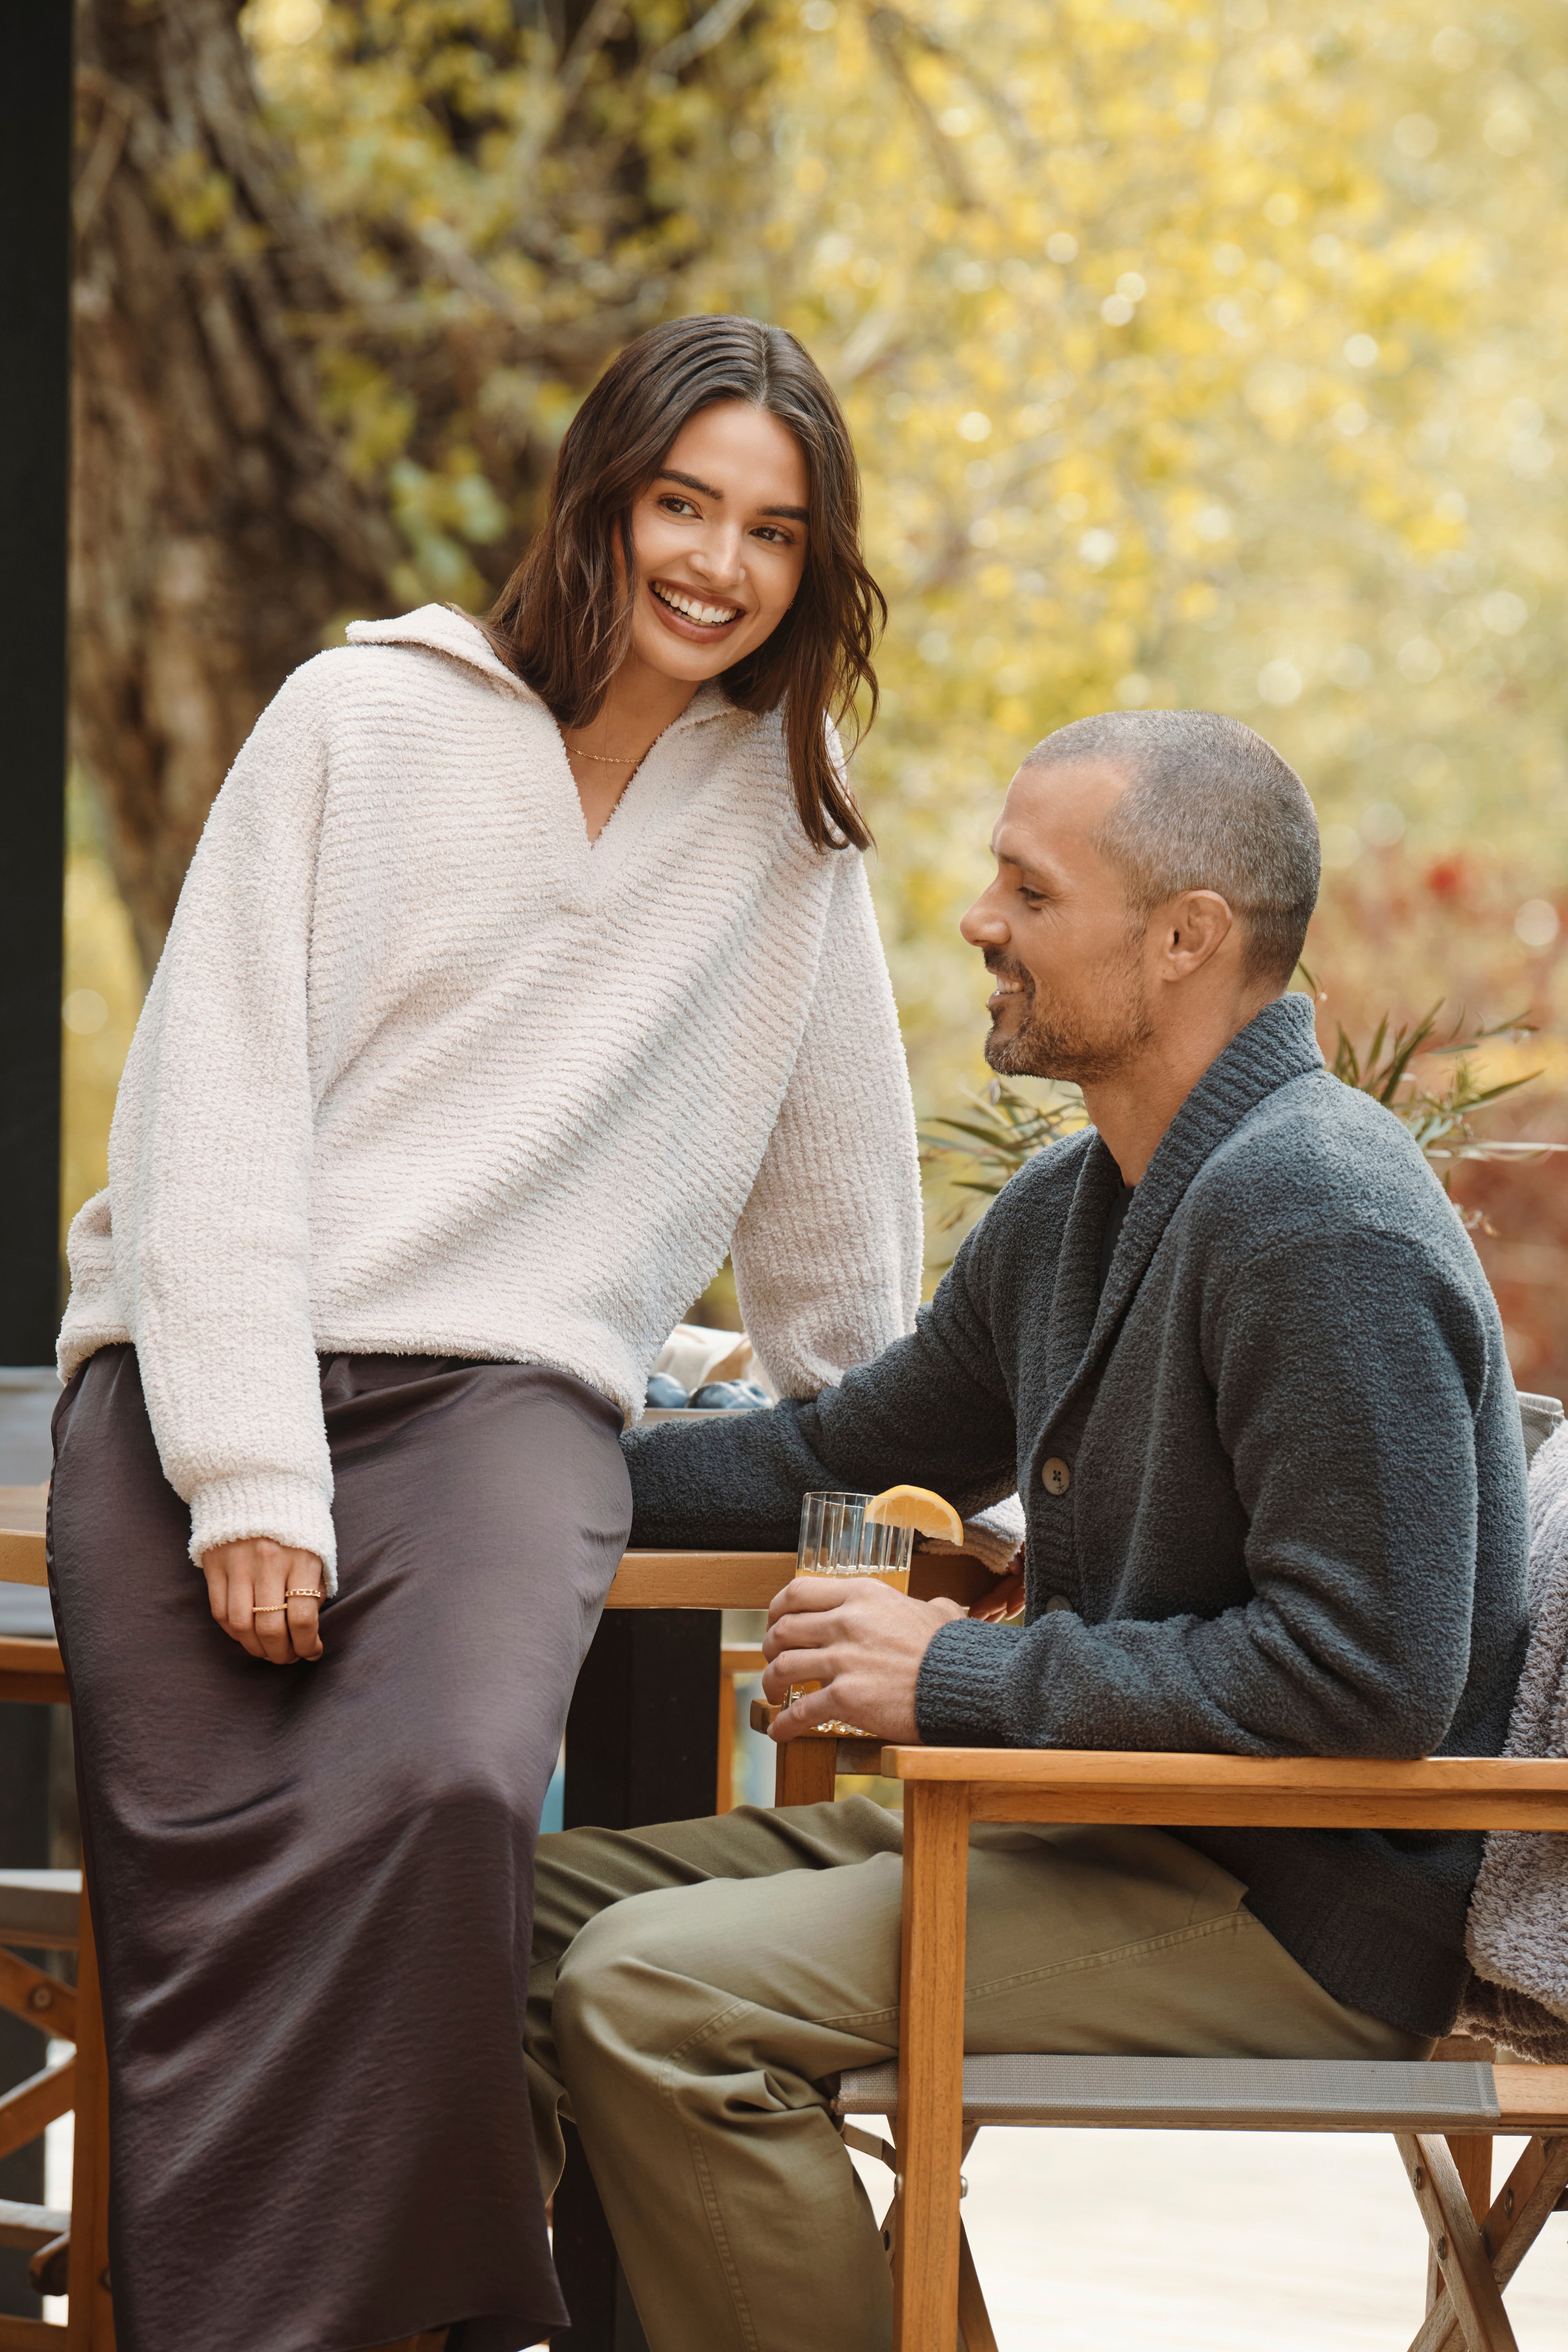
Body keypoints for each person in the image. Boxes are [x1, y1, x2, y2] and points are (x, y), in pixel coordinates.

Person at [47, 314, 922, 2352]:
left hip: (510, 1409)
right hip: (202, 1381)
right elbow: (218, 1104)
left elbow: (836, 1204)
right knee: (200, 1908)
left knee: (448, 1792)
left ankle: (430, 2323)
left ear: (815, 565)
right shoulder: (363, 719)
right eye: (683, 503)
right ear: (599, 499)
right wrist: (250, 1469)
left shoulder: (791, 817)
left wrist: (905, 1476)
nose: (717, 561)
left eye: (773, 531)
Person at [526, 708, 1531, 2352]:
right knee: (500, 1928)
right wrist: (498, 1462)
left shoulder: (1316, 1217)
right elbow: (837, 1450)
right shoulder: (1079, 1211)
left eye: (1027, 889)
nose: (978, 919)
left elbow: (1372, 1674)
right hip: (1089, 1828)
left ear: (1185, 939)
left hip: (1298, 1912)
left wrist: (957, 1681)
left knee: (659, 1999)